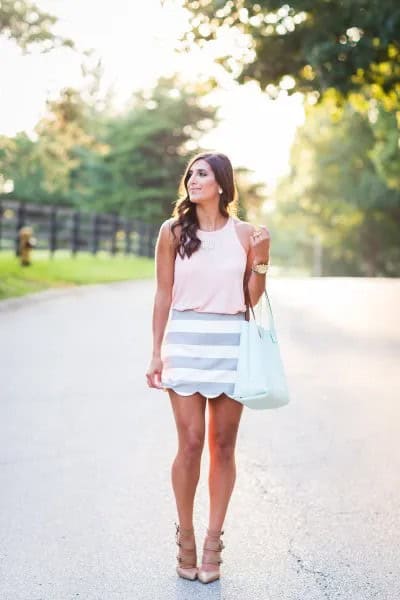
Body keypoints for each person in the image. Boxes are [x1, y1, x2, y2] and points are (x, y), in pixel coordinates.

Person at [146, 151, 270, 584]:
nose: (193, 180)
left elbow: (252, 298)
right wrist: (155, 352)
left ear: (221, 184)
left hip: (231, 343)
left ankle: (215, 541)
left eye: (202, 174)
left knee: (223, 445)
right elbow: (163, 294)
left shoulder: (246, 233)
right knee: (192, 443)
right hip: (184, 342)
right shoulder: (173, 231)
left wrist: (261, 255)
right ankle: (186, 537)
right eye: (190, 174)